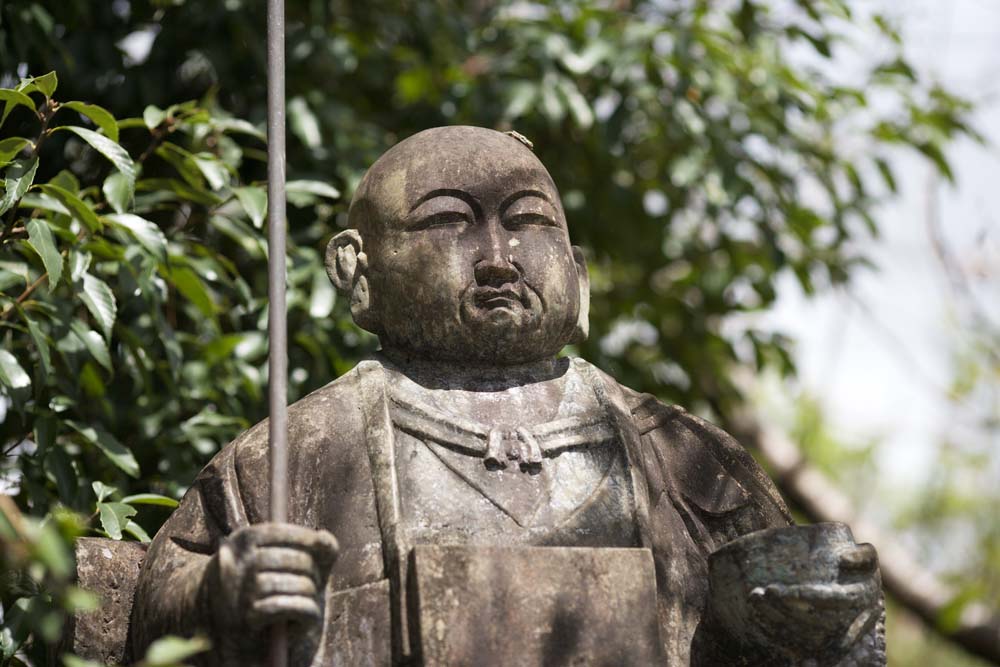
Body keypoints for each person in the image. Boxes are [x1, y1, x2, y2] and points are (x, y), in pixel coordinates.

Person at [130, 126, 882, 666]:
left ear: (577, 271)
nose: (497, 259)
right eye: (448, 223)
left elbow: (809, 629)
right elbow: (145, 613)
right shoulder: (297, 457)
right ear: (358, 269)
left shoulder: (689, 464)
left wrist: (806, 619)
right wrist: (219, 599)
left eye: (528, 222)